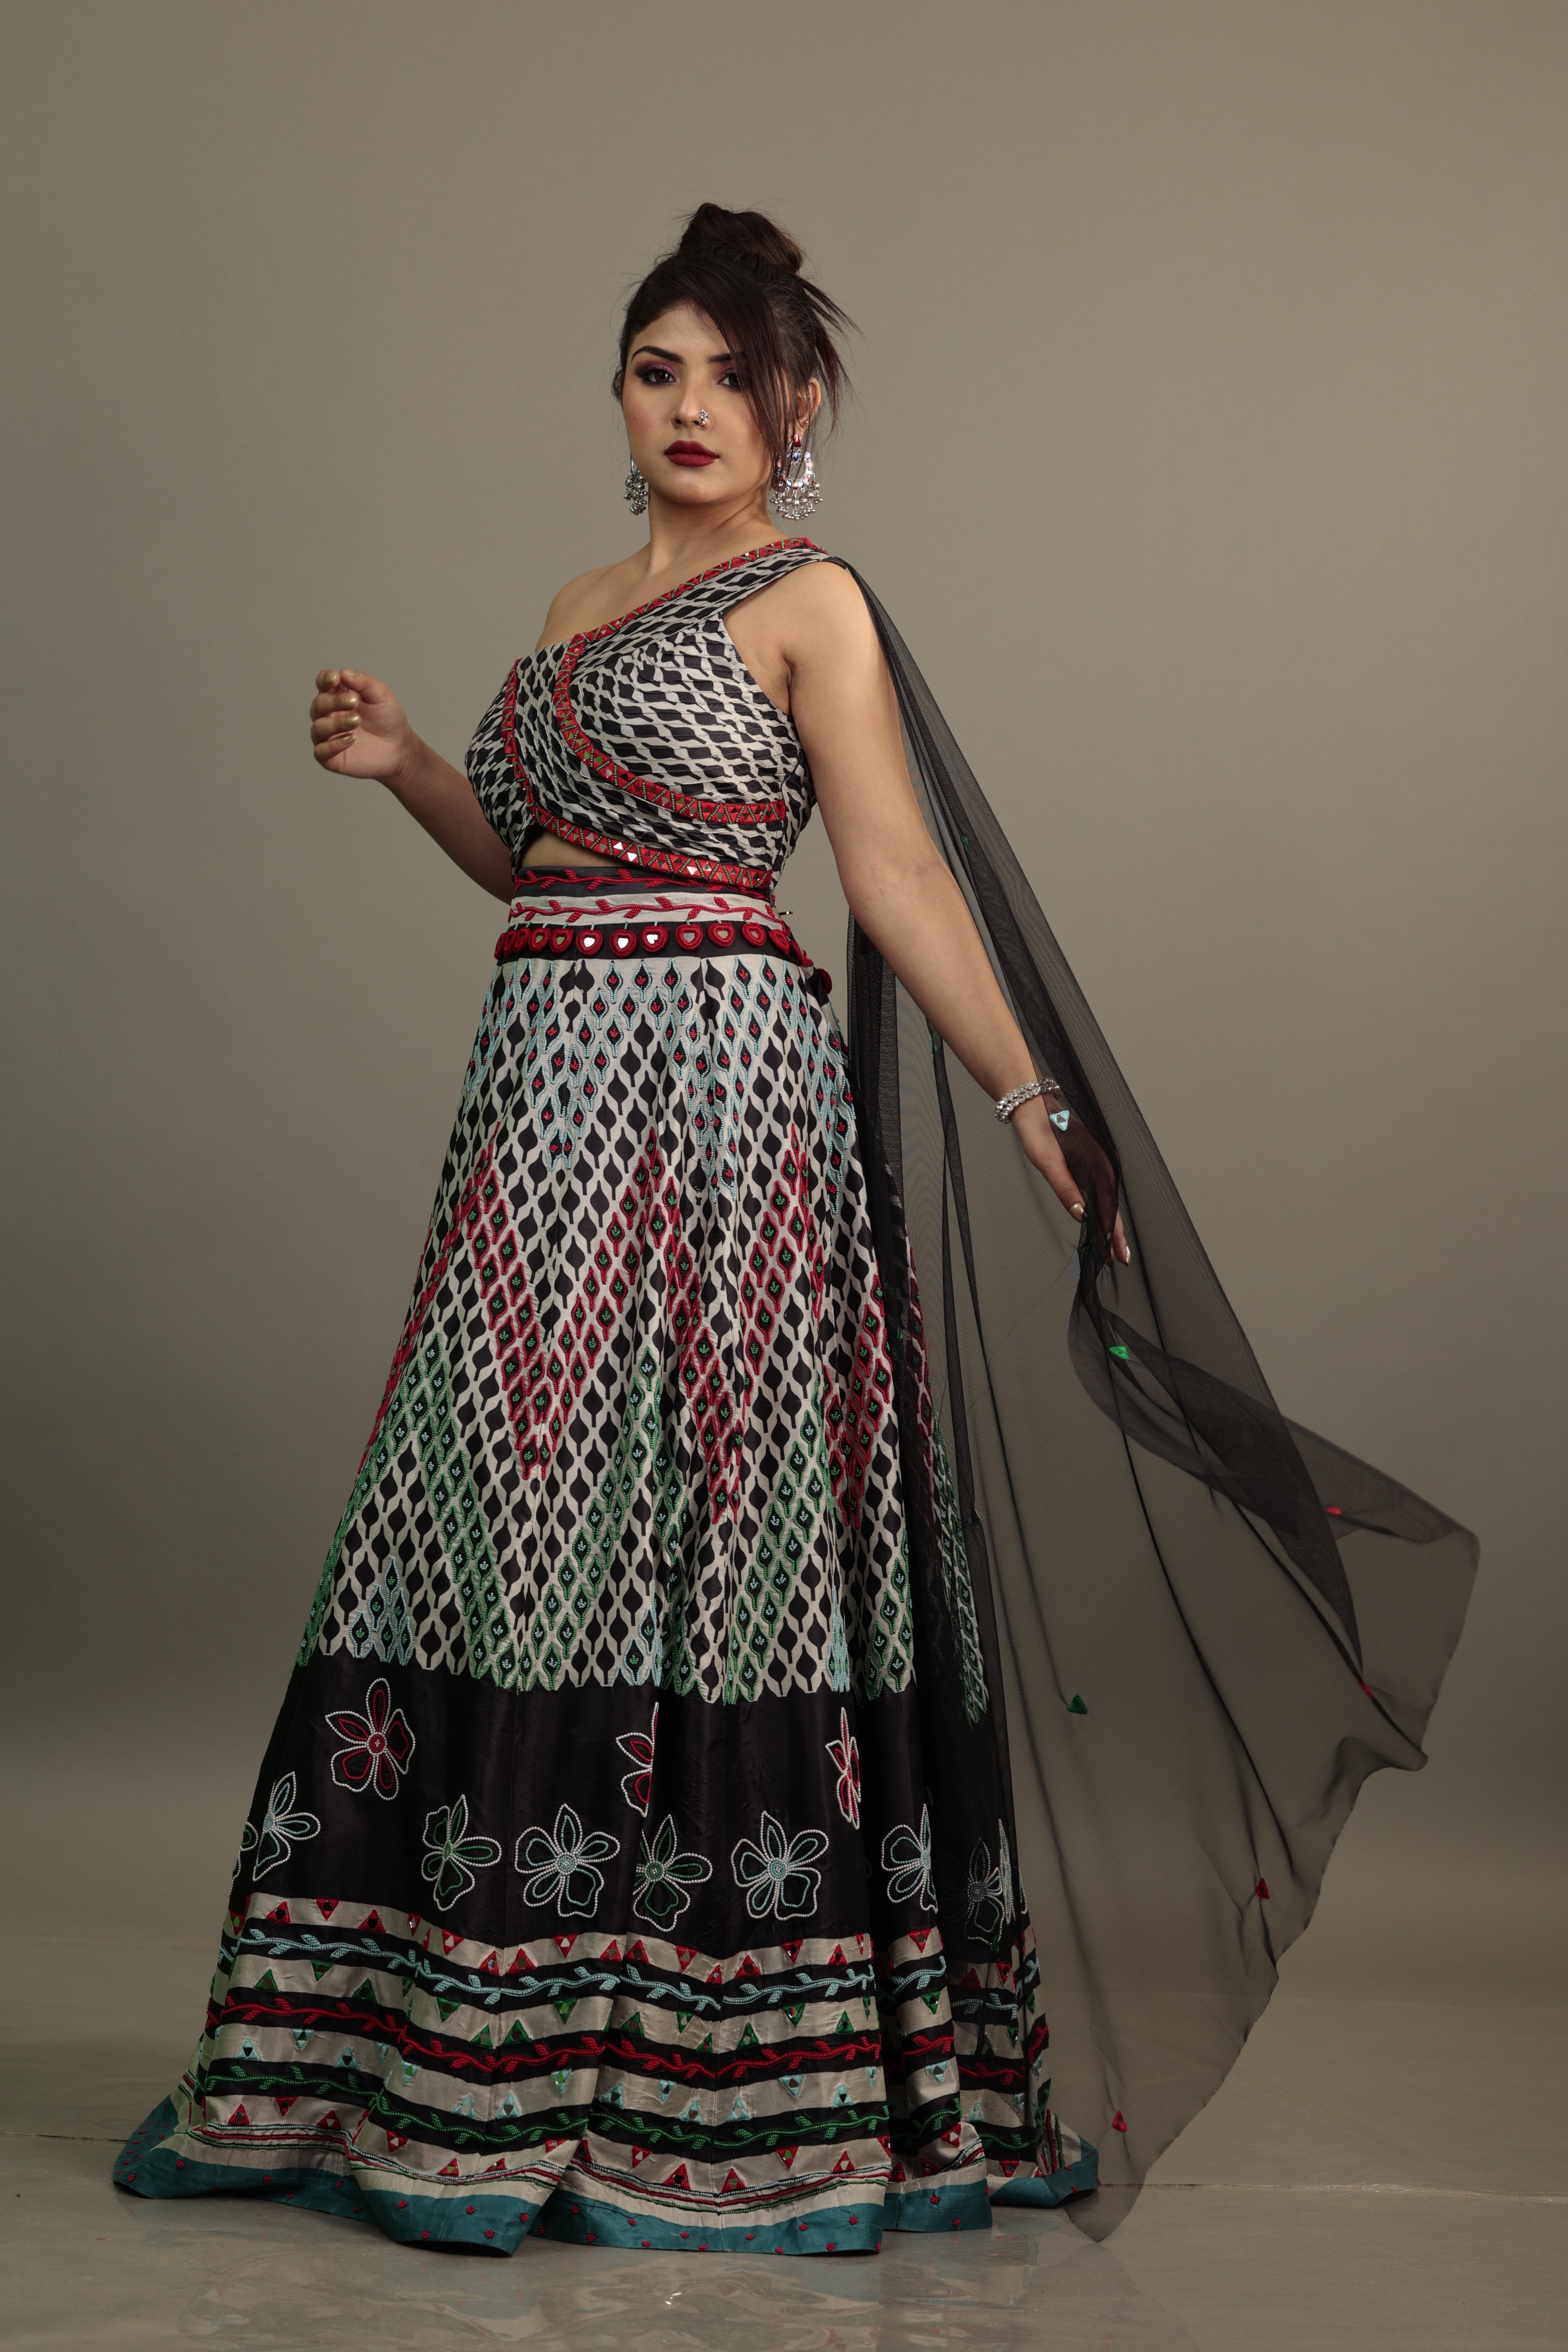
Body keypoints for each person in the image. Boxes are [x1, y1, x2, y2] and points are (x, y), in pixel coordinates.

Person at [114, 205, 1476, 2256]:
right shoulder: (576, 603)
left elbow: (895, 877)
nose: (693, 408)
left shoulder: (810, 600)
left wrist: (1027, 1097)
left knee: (713, 1548)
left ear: (797, 404)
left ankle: (717, 2060)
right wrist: (407, 766)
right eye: (656, 370)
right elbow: (542, 863)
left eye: (733, 377)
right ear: (619, 392)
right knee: (501, 1528)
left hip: (722, 1120)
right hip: (537, 1121)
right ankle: (446, 2029)